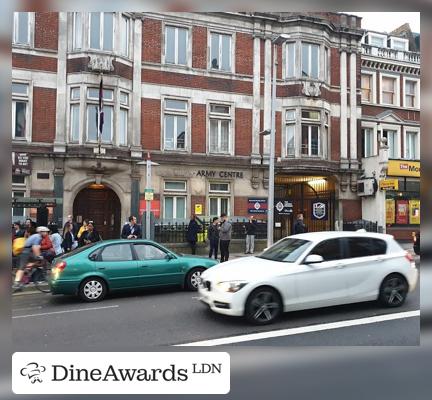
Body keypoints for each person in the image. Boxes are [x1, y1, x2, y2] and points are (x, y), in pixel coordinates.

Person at [12, 226, 43, 291]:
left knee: (34, 261)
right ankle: (16, 282)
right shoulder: (37, 237)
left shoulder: (33, 236)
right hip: (25, 252)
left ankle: (27, 269)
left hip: (25, 252)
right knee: (22, 267)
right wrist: (39, 256)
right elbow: (35, 247)